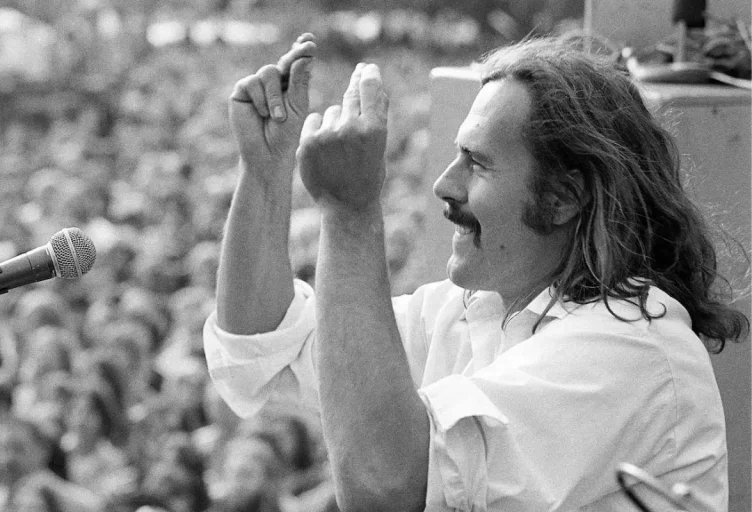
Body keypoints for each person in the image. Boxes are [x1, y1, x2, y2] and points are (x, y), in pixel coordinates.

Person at [203, 33, 749, 511]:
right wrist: (267, 171)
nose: (445, 184)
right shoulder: (470, 310)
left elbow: (386, 488)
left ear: (563, 195)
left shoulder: (633, 349)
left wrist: (349, 212)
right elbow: (261, 346)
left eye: (477, 162)